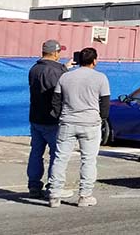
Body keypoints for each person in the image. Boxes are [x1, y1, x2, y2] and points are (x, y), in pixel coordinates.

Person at [48, 48, 109, 208]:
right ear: (94, 60)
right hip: (90, 123)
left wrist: (61, 115)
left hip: (68, 121)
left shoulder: (65, 76)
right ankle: (84, 195)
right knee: (88, 160)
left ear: (78, 59)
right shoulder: (101, 78)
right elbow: (105, 103)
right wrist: (100, 118)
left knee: (60, 158)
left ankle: (54, 195)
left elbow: (56, 100)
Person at [27, 40, 69, 199]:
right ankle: (53, 186)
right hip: (52, 118)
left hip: (36, 117)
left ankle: (34, 186)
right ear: (56, 52)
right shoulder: (54, 71)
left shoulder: (34, 69)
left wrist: (63, 68)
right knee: (56, 154)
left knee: (36, 153)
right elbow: (58, 94)